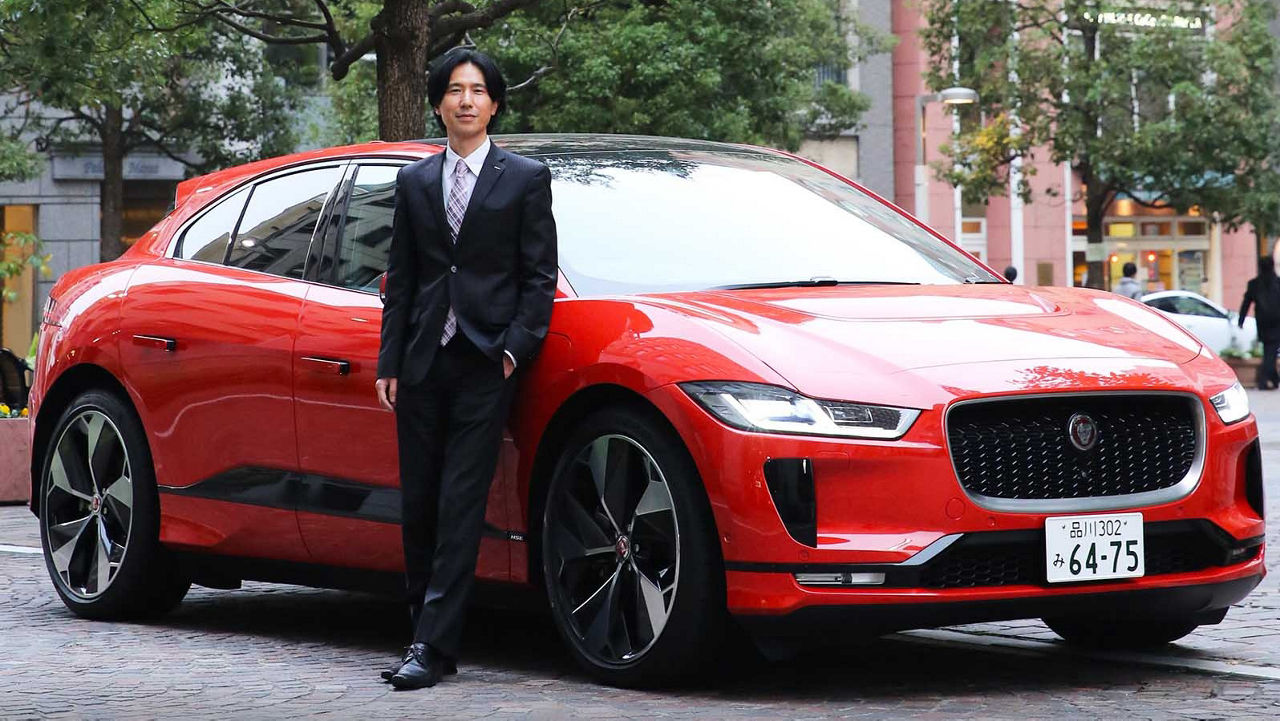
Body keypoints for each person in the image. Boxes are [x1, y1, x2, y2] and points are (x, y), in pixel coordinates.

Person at [374, 47, 557, 690]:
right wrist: (389, 359)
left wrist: (513, 349)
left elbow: (539, 277)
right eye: (455, 90)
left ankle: (430, 644)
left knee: (459, 505)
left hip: (485, 363)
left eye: (478, 90)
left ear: (495, 104)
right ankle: (425, 636)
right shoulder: (416, 182)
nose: (467, 100)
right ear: (439, 103)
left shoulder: (525, 178)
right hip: (423, 360)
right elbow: (404, 278)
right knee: (420, 504)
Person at [1240, 255, 1280, 390]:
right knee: (1271, 351)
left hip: (1262, 323)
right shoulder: (1278, 282)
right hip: (1276, 323)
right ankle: (1263, 380)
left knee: (1269, 350)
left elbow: (1246, 303)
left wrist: (1241, 319)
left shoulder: (1254, 284)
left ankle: (1274, 379)